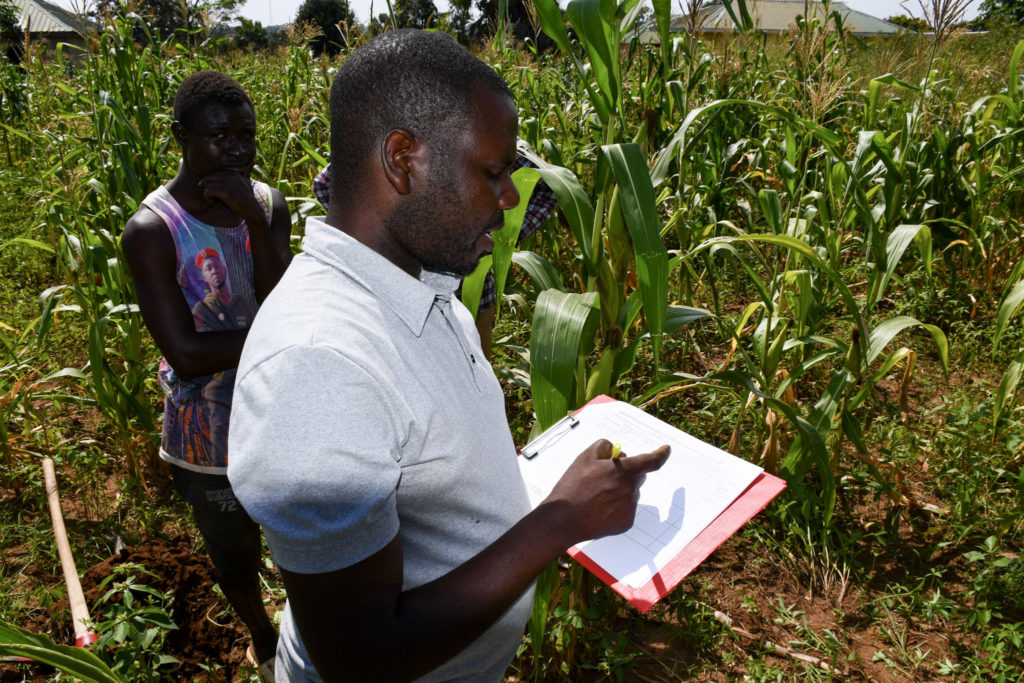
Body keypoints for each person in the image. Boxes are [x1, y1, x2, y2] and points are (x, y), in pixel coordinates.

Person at [227, 30, 670, 682]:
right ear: (403, 160)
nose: (512, 198)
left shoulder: (425, 285)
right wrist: (560, 520)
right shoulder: (319, 362)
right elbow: (359, 653)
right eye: (493, 173)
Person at [121, 70, 292, 681]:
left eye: (246, 135)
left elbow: (283, 296)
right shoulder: (152, 231)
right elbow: (187, 354)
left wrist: (250, 217)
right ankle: (264, 638)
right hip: (204, 424)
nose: (238, 149)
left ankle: (308, 627)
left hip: (277, 403)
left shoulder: (267, 205)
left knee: (298, 525)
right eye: (221, 137)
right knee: (235, 548)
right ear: (180, 137)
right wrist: (279, 337)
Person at [311, 152, 558, 356]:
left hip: (472, 291)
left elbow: (549, 186)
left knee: (473, 377)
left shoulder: (479, 130)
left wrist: (496, 241)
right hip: (403, 295)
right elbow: (325, 185)